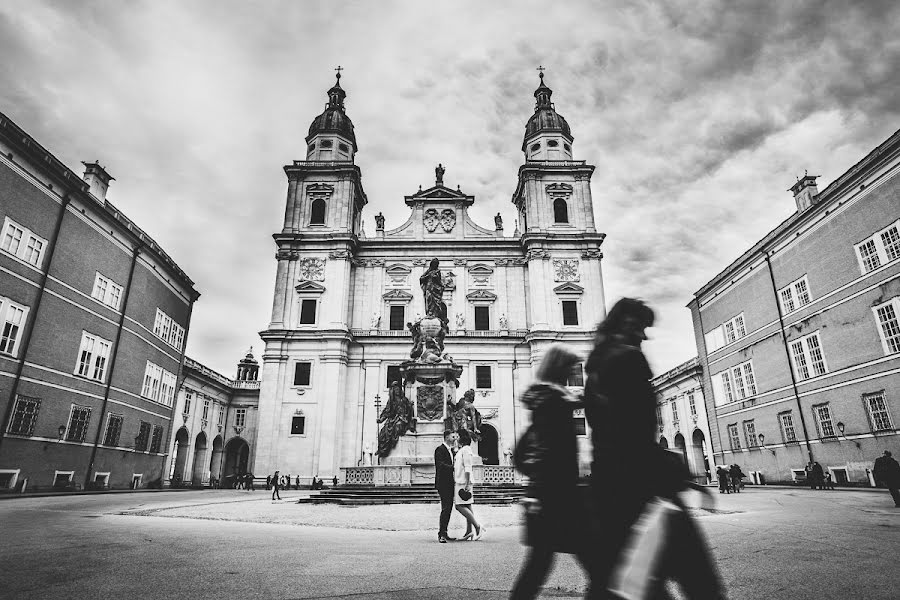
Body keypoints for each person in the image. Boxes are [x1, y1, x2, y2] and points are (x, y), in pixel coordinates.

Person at [584, 298, 725, 599]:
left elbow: (608, 433)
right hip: (642, 487)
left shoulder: (595, 366)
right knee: (699, 582)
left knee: (627, 581)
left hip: (609, 490)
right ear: (625, 324)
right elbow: (634, 434)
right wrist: (679, 476)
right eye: (640, 327)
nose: (644, 336)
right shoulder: (628, 361)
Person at [510, 344, 591, 599]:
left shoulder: (544, 402)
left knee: (538, 566)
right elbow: (550, 453)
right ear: (560, 371)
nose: (573, 374)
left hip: (547, 497)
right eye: (570, 369)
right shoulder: (556, 403)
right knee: (597, 562)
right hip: (557, 498)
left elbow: (521, 456)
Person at [453, 429, 483, 541]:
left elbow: (468, 467)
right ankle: (469, 531)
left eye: (457, 436)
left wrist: (466, 482)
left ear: (462, 438)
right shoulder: (462, 450)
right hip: (462, 481)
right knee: (468, 506)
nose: (456, 438)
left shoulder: (466, 450)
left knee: (459, 506)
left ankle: (477, 526)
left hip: (463, 482)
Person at [434, 430, 458, 543]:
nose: (455, 438)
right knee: (445, 508)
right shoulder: (440, 449)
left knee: (448, 508)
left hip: (450, 482)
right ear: (447, 437)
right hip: (443, 483)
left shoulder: (451, 450)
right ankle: (441, 534)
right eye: (453, 436)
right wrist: (453, 467)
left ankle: (445, 532)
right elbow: (440, 465)